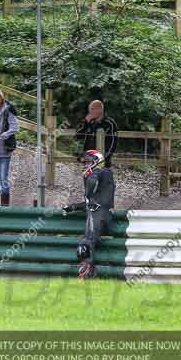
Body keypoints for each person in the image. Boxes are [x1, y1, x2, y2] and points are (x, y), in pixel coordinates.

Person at [62, 150, 115, 279]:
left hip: (101, 215)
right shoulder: (93, 177)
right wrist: (72, 207)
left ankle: (87, 271)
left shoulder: (105, 173)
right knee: (85, 243)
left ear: (96, 162)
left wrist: (92, 173)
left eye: (88, 162)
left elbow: (97, 197)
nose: (85, 165)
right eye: (84, 163)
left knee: (86, 243)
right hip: (95, 214)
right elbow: (89, 202)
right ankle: (89, 270)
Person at [75, 100, 118, 166]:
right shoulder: (90, 122)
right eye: (89, 109)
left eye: (92, 109)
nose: (90, 112)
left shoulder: (109, 123)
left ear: (100, 110)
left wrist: (103, 159)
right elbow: (77, 136)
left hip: (103, 163)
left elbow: (113, 144)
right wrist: (86, 123)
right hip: (89, 162)